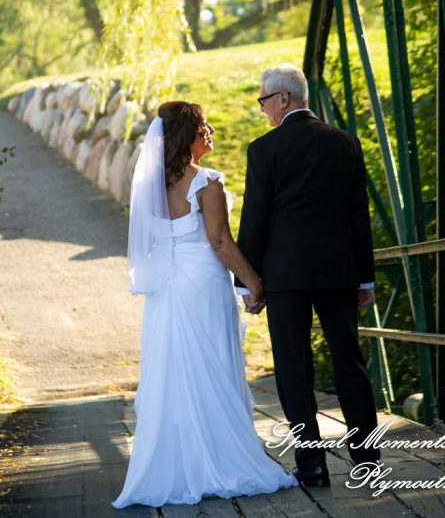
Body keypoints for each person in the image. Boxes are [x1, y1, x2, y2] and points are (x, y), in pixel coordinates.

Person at [113, 101, 297, 509]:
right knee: (214, 362)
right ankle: (221, 459)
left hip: (169, 285)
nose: (210, 130)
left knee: (174, 368)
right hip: (203, 281)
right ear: (186, 136)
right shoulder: (207, 181)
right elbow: (219, 242)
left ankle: (179, 465)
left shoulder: (152, 185)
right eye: (202, 126)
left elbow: (152, 242)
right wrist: (254, 283)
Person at [236, 64, 380, 488]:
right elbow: (359, 217)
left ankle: (312, 466)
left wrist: (248, 283)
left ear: (283, 99)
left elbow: (255, 220)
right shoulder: (346, 143)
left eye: (264, 101)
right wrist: (364, 279)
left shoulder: (264, 150)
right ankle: (367, 462)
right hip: (338, 272)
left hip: (286, 277)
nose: (263, 111)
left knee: (293, 370)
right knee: (349, 364)